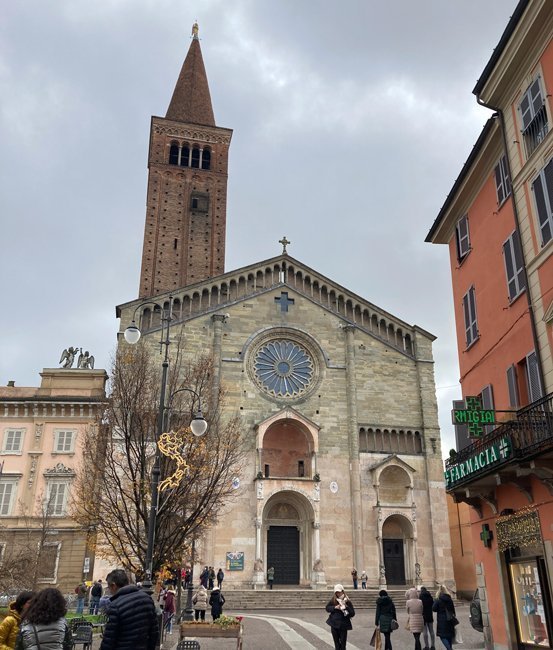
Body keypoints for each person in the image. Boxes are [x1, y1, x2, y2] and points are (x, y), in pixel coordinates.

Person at [99, 569, 158, 650]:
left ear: (114, 585)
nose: (110, 591)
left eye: (109, 588)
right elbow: (154, 631)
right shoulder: (147, 599)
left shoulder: (115, 605)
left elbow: (109, 639)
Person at [325, 584, 355, 650]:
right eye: (336, 592)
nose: (338, 594)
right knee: (337, 644)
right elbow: (327, 608)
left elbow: (352, 613)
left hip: (343, 625)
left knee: (343, 644)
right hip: (334, 624)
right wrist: (335, 607)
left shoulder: (347, 601)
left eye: (339, 592)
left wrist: (346, 606)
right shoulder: (334, 600)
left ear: (342, 591)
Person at [432, 585, 456, 650]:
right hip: (450, 619)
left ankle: (449, 649)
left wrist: (435, 602)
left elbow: (434, 609)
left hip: (442, 619)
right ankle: (449, 648)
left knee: (442, 636)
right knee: (449, 636)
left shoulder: (438, 599)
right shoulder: (449, 598)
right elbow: (453, 609)